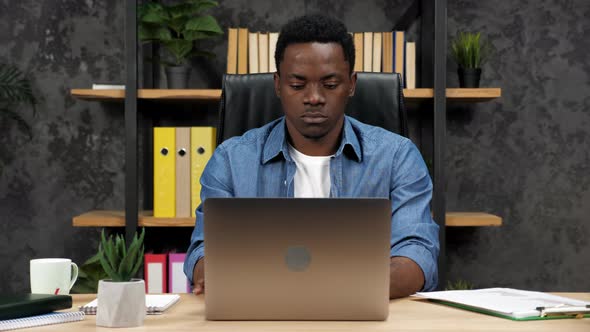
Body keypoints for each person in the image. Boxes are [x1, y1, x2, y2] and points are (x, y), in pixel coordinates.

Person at [184, 14, 439, 299]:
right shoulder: (230, 160)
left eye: (330, 85)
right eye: (297, 85)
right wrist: (211, 273)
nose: (314, 97)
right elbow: (203, 249)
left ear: (352, 84)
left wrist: (324, 289)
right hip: (260, 316)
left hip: (362, 315)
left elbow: (418, 255)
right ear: (277, 84)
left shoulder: (397, 157)